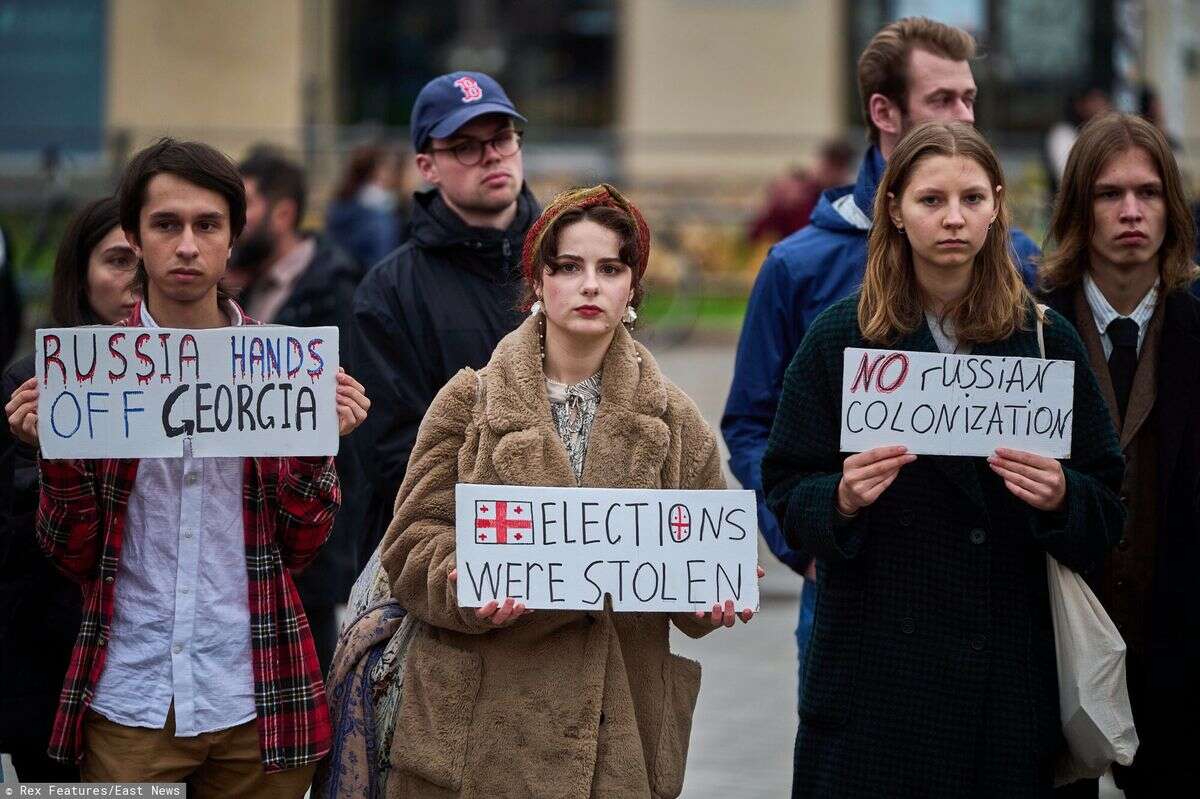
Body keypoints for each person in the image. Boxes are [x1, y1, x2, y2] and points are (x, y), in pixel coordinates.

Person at [762, 122, 1125, 798]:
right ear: (895, 210)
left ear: (996, 206)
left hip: (1009, 691)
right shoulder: (842, 337)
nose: (953, 218)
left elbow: (1107, 505)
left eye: (971, 199)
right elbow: (784, 488)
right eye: (931, 200)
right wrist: (838, 497)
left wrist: (1062, 497)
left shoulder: (1046, 341)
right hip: (877, 689)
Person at [4, 138, 370, 795]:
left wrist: (318, 442)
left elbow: (304, 543)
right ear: (137, 238)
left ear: (233, 238)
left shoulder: (281, 366)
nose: (187, 245)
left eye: (207, 225)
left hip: (260, 692)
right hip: (132, 696)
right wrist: (52, 452)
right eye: (166, 224)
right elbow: (70, 552)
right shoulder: (90, 376)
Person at [381, 184, 759, 798]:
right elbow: (410, 545)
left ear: (632, 288)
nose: (590, 285)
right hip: (483, 734)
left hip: (616, 737)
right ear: (537, 283)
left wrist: (709, 600)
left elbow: (698, 564)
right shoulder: (468, 400)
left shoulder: (678, 420)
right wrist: (466, 583)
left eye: (610, 268)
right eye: (568, 267)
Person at [722, 16, 1042, 706]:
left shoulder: (1017, 261)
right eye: (943, 100)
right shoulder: (800, 266)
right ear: (883, 112)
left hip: (986, 589)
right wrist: (802, 542)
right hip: (851, 577)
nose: (964, 116)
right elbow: (751, 424)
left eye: (970, 98)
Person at [1040, 113, 1200, 796]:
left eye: (1149, 192)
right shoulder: (1029, 334)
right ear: (1080, 207)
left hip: (1183, 657)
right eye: (1109, 194)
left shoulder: (1196, 327)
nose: (1131, 211)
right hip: (1052, 648)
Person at [348, 71, 539, 569]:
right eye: (465, 147)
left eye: (501, 138)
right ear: (426, 166)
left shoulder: (571, 267)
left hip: (568, 558)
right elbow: (394, 453)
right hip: (443, 563)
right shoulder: (389, 290)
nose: (493, 155)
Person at [1, 197, 137, 783]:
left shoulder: (212, 370)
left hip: (149, 667)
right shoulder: (27, 382)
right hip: (55, 661)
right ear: (80, 276)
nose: (135, 279)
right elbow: (14, 546)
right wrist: (38, 453)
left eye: (143, 260)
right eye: (116, 260)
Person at [235, 150, 367, 675]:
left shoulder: (338, 290)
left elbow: (352, 426)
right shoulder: (238, 291)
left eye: (240, 209)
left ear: (283, 214)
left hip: (310, 542)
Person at [746, 140, 854, 244]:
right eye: (830, 164)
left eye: (839, 166)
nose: (832, 172)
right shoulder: (797, 196)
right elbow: (755, 233)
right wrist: (776, 201)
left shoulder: (849, 204)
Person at [324, 143, 406, 270]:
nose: (393, 174)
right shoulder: (382, 217)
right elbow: (385, 267)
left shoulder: (339, 207)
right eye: (388, 169)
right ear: (377, 172)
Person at [1044, 85, 1111, 193]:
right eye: (1094, 102)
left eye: (1103, 102)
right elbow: (1066, 175)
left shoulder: (1108, 135)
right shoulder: (1063, 133)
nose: (1101, 108)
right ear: (1080, 105)